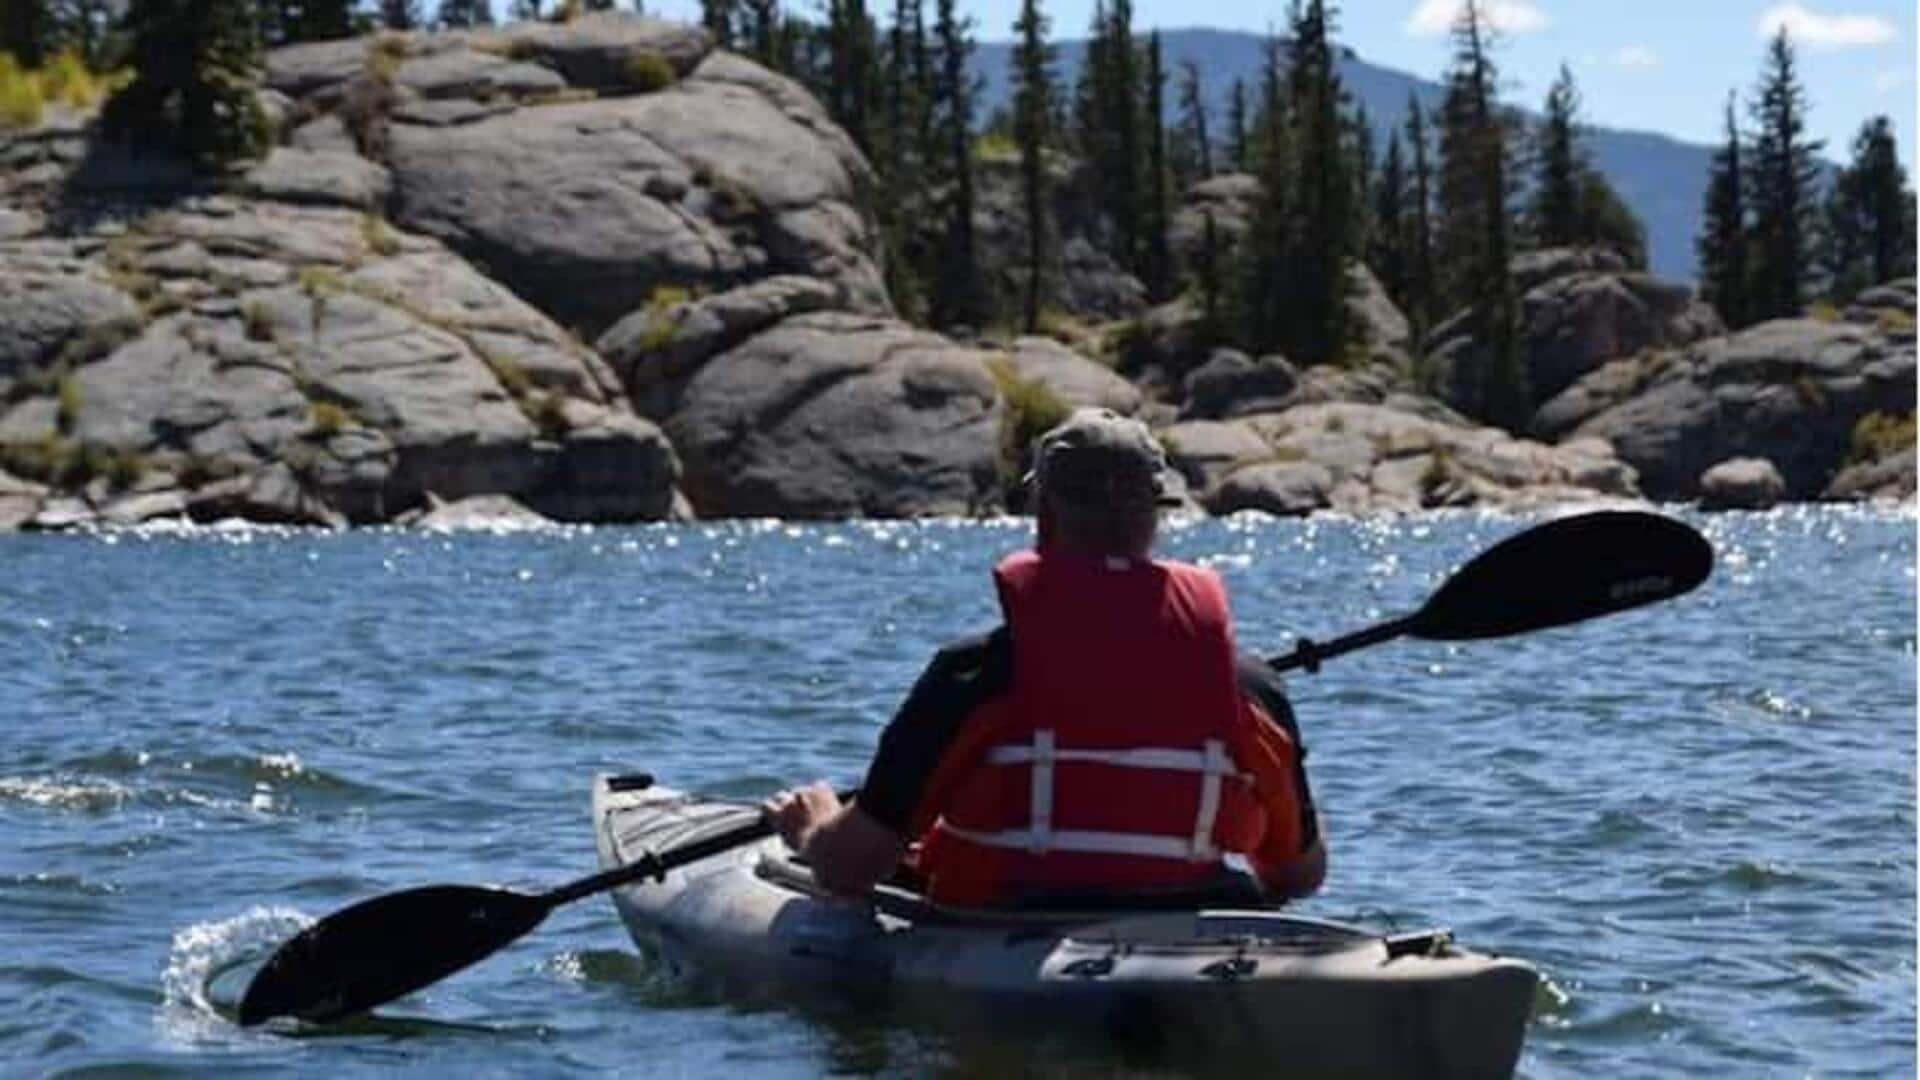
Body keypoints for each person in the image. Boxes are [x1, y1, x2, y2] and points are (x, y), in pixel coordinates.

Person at [763, 408, 1325, 906]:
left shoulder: (976, 674)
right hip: (1189, 932)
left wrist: (813, 829)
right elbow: (1298, 874)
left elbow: (850, 869)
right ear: (1156, 518)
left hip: (1010, 934)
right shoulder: (1250, 684)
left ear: (1044, 516)